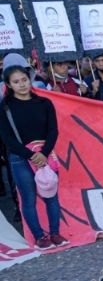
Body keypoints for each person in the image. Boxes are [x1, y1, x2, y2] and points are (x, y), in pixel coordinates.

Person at [0, 65, 66, 249]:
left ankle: (55, 233)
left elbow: (53, 131)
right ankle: (39, 237)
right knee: (28, 198)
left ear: (30, 79)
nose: (21, 84)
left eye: (24, 80)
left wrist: (43, 154)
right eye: (16, 82)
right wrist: (30, 155)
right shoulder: (5, 108)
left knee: (51, 196)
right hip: (20, 158)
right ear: (8, 85)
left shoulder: (45, 103)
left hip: (46, 157)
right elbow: (7, 138)